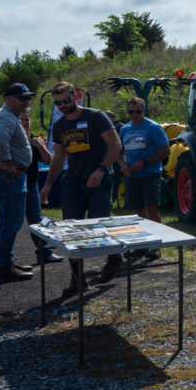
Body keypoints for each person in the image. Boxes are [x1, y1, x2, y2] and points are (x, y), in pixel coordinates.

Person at [40, 81, 124, 296]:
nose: (63, 106)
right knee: (71, 232)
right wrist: (48, 184)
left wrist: (101, 170)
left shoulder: (95, 116)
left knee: (98, 227)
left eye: (67, 101)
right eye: (58, 103)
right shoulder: (59, 125)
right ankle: (78, 279)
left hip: (99, 181)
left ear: (75, 97)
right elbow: (59, 157)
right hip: (73, 183)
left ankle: (114, 258)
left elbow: (115, 145)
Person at [0, 83, 35, 281]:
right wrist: (7, 164)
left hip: (5, 175)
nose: (26, 101)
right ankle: (4, 266)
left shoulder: (6, 115)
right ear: (9, 99)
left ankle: (2, 261)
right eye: (22, 98)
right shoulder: (7, 116)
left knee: (6, 221)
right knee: (12, 221)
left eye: (28, 98)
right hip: (9, 175)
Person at [118, 97, 168, 261]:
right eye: (131, 112)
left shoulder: (153, 127)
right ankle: (143, 244)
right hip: (132, 175)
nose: (134, 115)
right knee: (138, 210)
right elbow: (118, 151)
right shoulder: (124, 129)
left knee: (151, 207)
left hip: (150, 172)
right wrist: (123, 165)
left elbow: (165, 151)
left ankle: (156, 245)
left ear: (144, 111)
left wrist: (145, 162)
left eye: (138, 111)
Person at [19, 109, 64, 265]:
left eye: (26, 120)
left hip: (31, 185)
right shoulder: (11, 139)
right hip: (13, 186)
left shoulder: (34, 139)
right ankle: (2, 259)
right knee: (11, 222)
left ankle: (45, 253)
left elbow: (49, 160)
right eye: (21, 120)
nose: (24, 123)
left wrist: (40, 146)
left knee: (36, 221)